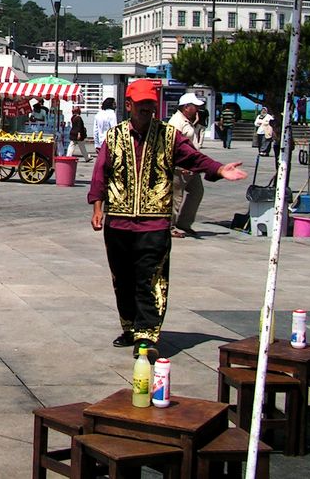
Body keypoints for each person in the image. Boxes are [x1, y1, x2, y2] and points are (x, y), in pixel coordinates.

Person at [88, 79, 247, 359]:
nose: (148, 112)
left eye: (151, 107)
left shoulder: (169, 136)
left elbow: (194, 158)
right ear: (129, 106)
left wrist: (220, 169)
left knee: (149, 278)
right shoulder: (114, 138)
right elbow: (101, 173)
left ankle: (147, 334)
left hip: (154, 223)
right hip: (119, 223)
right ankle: (130, 327)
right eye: (142, 107)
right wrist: (97, 207)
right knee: (122, 279)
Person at [167, 93, 206, 238]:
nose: (197, 109)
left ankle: (184, 223)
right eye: (194, 106)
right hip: (180, 166)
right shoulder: (176, 122)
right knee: (176, 196)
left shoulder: (191, 121)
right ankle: (169, 227)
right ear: (186, 107)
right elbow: (171, 145)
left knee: (197, 191)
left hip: (192, 164)